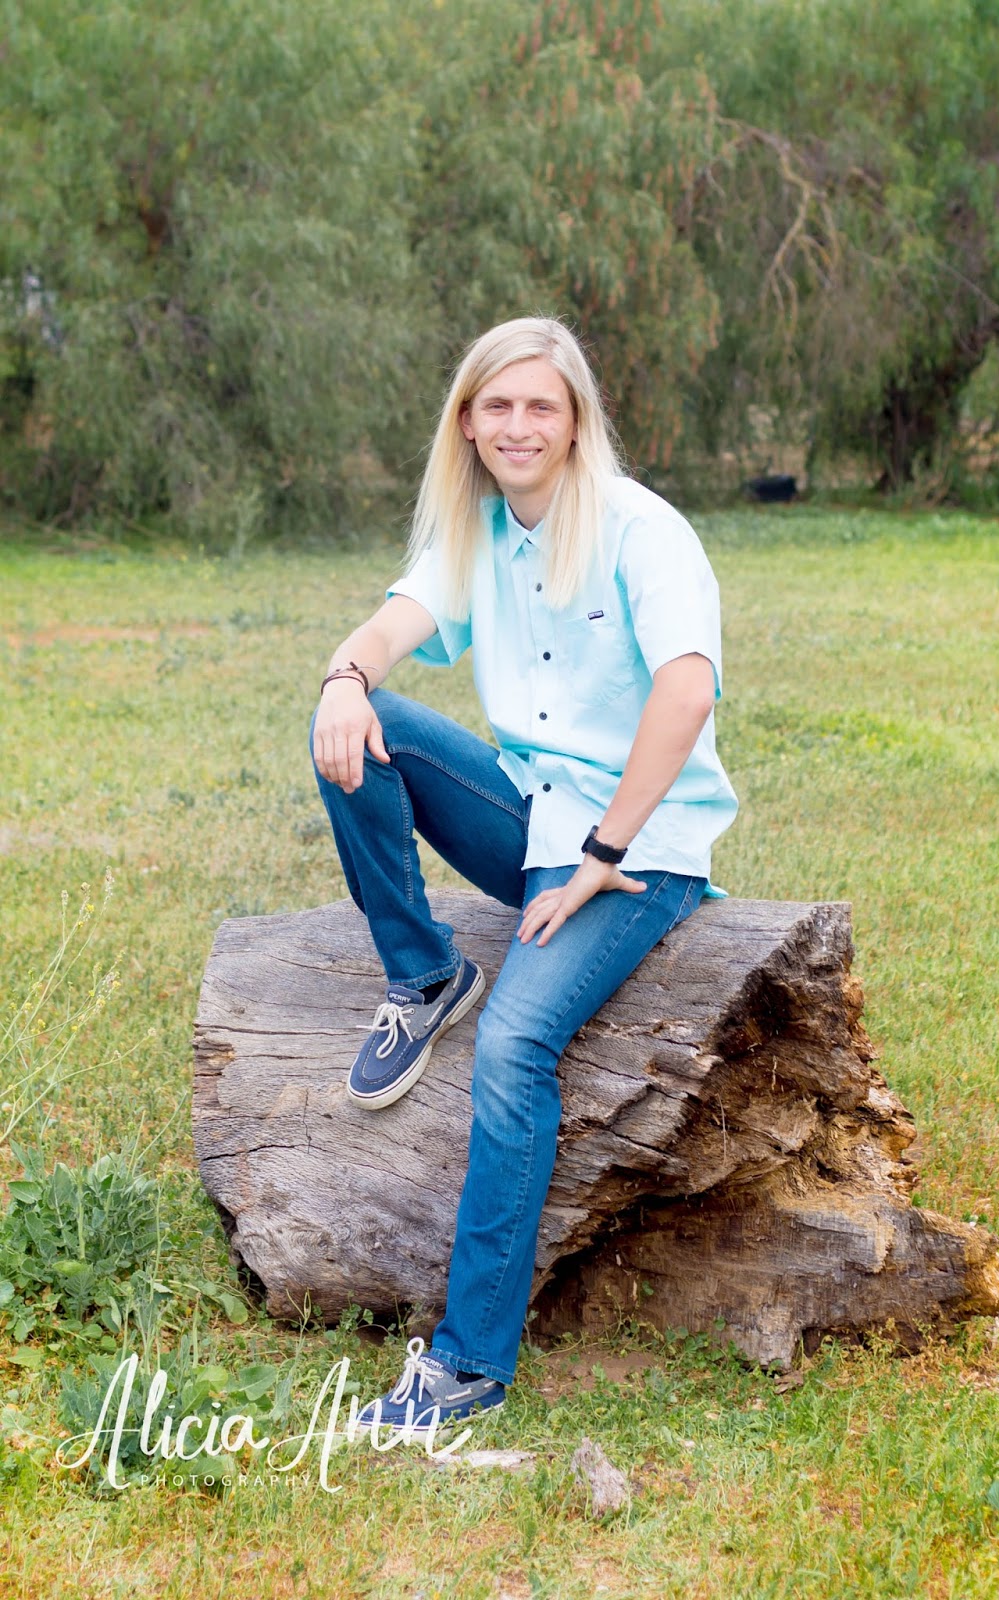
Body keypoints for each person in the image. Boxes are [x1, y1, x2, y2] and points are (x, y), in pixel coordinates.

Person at [310, 315, 738, 1441]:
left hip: (639, 849)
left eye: (540, 404)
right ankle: (423, 976)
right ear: (467, 421)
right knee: (356, 721)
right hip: (529, 818)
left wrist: (602, 856)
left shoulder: (642, 530)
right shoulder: (478, 534)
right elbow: (391, 628)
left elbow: (686, 692)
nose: (517, 425)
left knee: (512, 1047)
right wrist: (344, 675)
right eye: (495, 405)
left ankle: (467, 1364)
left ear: (575, 420)